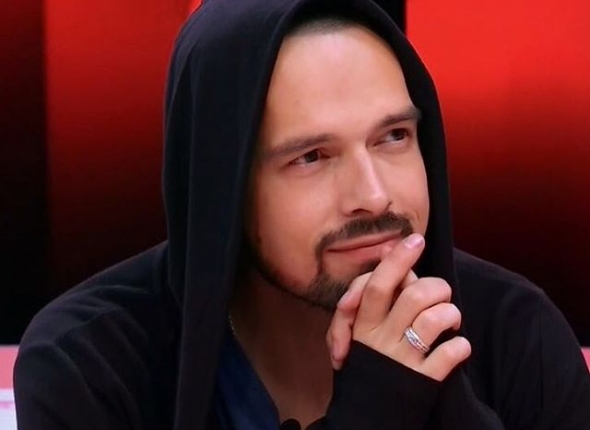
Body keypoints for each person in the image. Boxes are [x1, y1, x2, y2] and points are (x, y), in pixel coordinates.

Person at [14, 0, 590, 429]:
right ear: (221, 187)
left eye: (393, 136)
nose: (374, 196)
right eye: (311, 156)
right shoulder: (89, 364)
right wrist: (374, 410)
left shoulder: (518, 336)